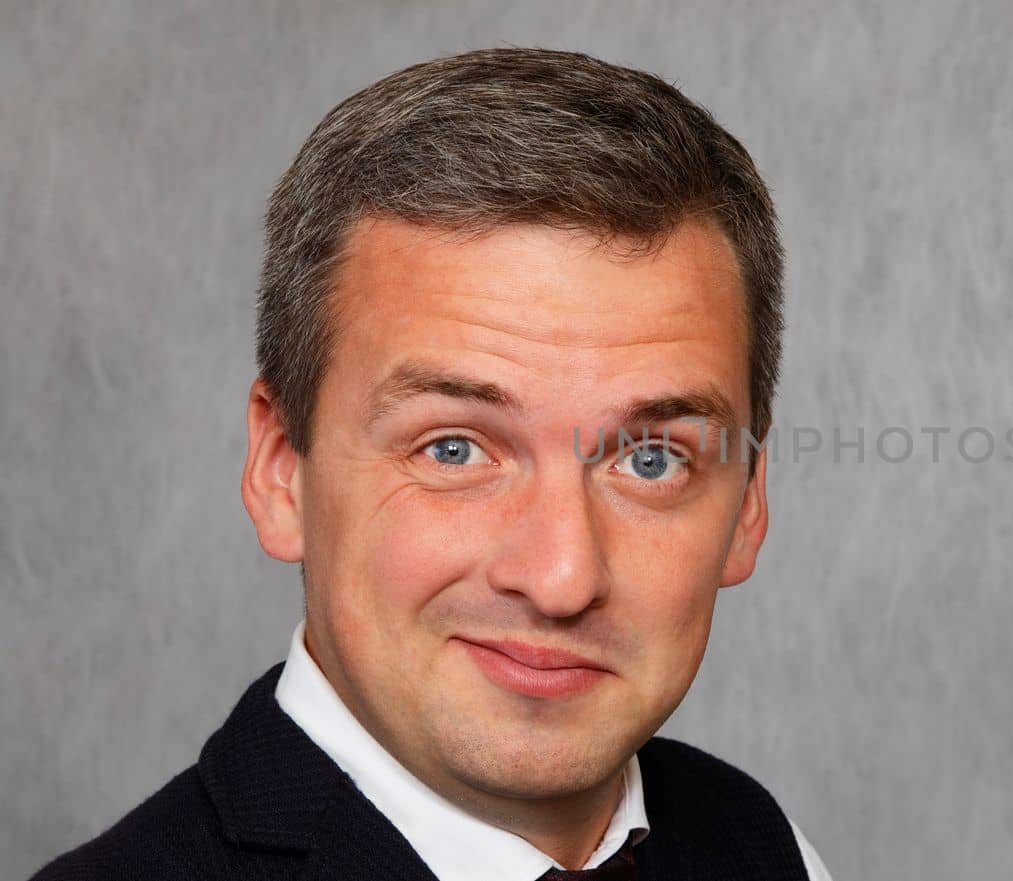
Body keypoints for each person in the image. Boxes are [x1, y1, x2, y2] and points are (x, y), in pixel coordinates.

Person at [32, 47, 831, 881]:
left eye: (653, 459)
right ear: (280, 470)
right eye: (454, 448)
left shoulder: (764, 847)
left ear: (746, 506)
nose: (562, 577)